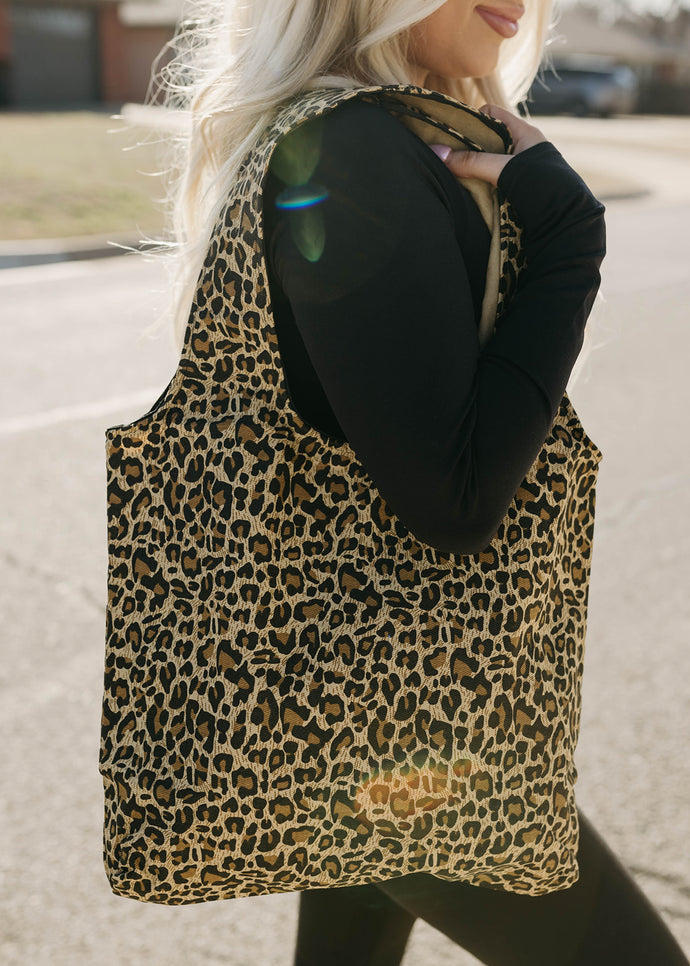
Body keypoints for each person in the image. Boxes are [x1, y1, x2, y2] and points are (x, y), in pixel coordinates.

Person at [145, 1, 690, 963]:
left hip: (343, 703)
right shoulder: (351, 150)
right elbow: (456, 500)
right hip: (402, 726)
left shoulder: (374, 136)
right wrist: (569, 237)